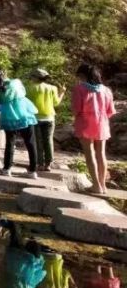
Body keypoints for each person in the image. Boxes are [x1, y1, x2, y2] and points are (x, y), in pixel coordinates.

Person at [72, 63, 116, 195]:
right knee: (101, 153)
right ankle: (103, 185)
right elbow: (110, 111)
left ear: (83, 75)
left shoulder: (79, 88)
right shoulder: (106, 90)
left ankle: (96, 185)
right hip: (102, 123)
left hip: (84, 122)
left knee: (89, 153)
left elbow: (76, 109)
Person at [0, 67, 39, 178]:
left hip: (8, 116)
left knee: (10, 143)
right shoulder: (16, 82)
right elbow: (23, 92)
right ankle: (32, 171)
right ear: (5, 72)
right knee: (30, 143)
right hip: (24, 114)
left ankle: (7, 169)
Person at [26, 69, 65, 173]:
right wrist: (62, 93)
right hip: (49, 118)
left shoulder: (29, 88)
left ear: (35, 77)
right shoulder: (52, 88)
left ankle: (40, 164)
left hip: (35, 118)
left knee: (38, 142)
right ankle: (48, 164)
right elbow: (56, 103)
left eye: (32, 77)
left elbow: (27, 104)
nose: (31, 79)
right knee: (48, 141)